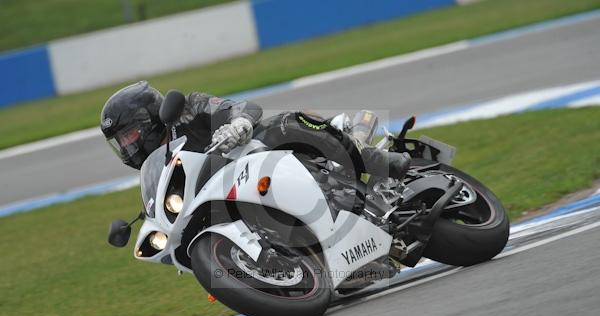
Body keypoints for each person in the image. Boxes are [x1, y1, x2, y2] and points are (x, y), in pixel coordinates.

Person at [100, 81, 409, 180]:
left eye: (129, 135)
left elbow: (243, 108)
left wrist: (239, 123)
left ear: (149, 118)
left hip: (263, 155)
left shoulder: (189, 109)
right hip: (236, 191)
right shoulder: (159, 170)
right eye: (121, 142)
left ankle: (373, 158)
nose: (128, 145)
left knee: (284, 123)